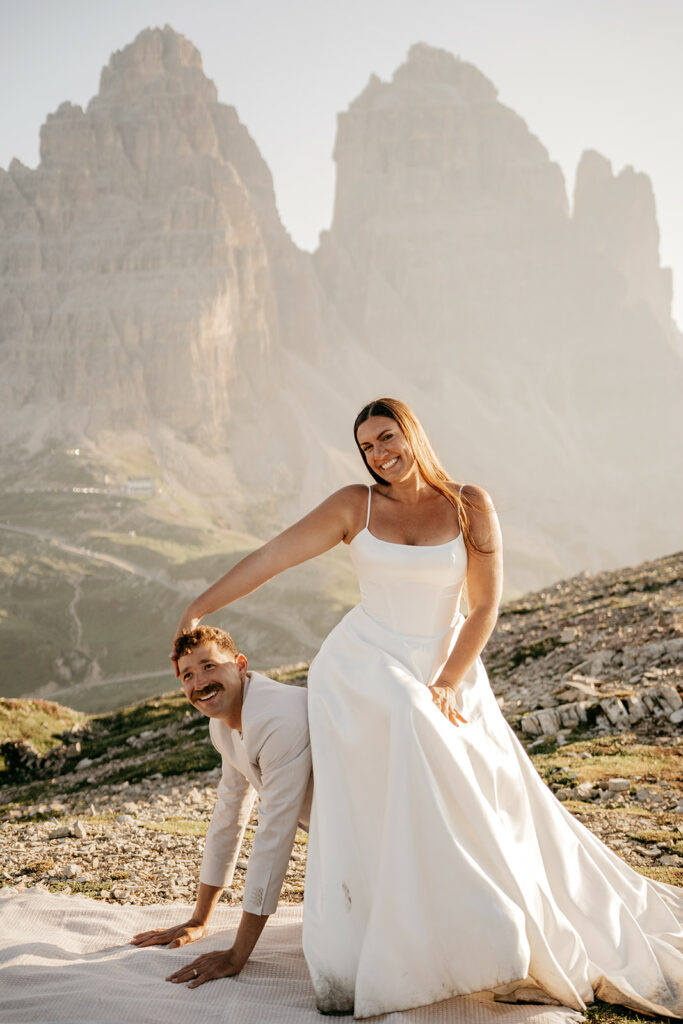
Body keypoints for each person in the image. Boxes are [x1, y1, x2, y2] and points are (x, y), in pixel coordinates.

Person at [173, 398, 683, 1019]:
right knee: (411, 724)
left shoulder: (471, 504)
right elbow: (271, 557)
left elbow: (485, 606)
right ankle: (405, 935)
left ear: (412, 433)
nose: (379, 453)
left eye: (387, 437)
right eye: (366, 447)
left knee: (474, 781)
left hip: (448, 662)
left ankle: (477, 923)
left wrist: (446, 679)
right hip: (363, 663)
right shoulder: (353, 505)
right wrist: (197, 607)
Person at [130, 626, 312, 989]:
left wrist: (236, 955)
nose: (200, 682)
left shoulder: (279, 720)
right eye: (188, 676)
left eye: (209, 666)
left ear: (240, 665)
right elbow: (230, 814)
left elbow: (274, 840)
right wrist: (200, 919)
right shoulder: (222, 724)